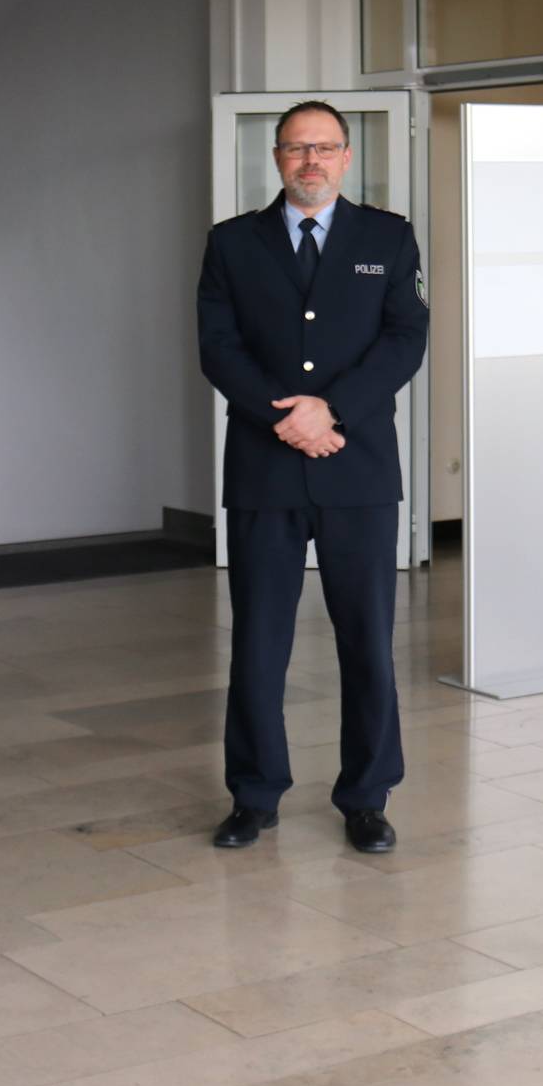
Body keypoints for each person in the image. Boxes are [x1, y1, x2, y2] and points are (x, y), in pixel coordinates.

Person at [196, 100, 429, 855]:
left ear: (347, 156)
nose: (311, 162)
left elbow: (404, 341)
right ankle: (254, 793)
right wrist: (284, 417)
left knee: (367, 639)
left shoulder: (387, 237)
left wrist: (333, 410)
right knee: (259, 642)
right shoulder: (232, 243)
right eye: (297, 148)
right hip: (265, 469)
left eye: (324, 148)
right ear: (276, 157)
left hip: (356, 467)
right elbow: (218, 348)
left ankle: (367, 796)